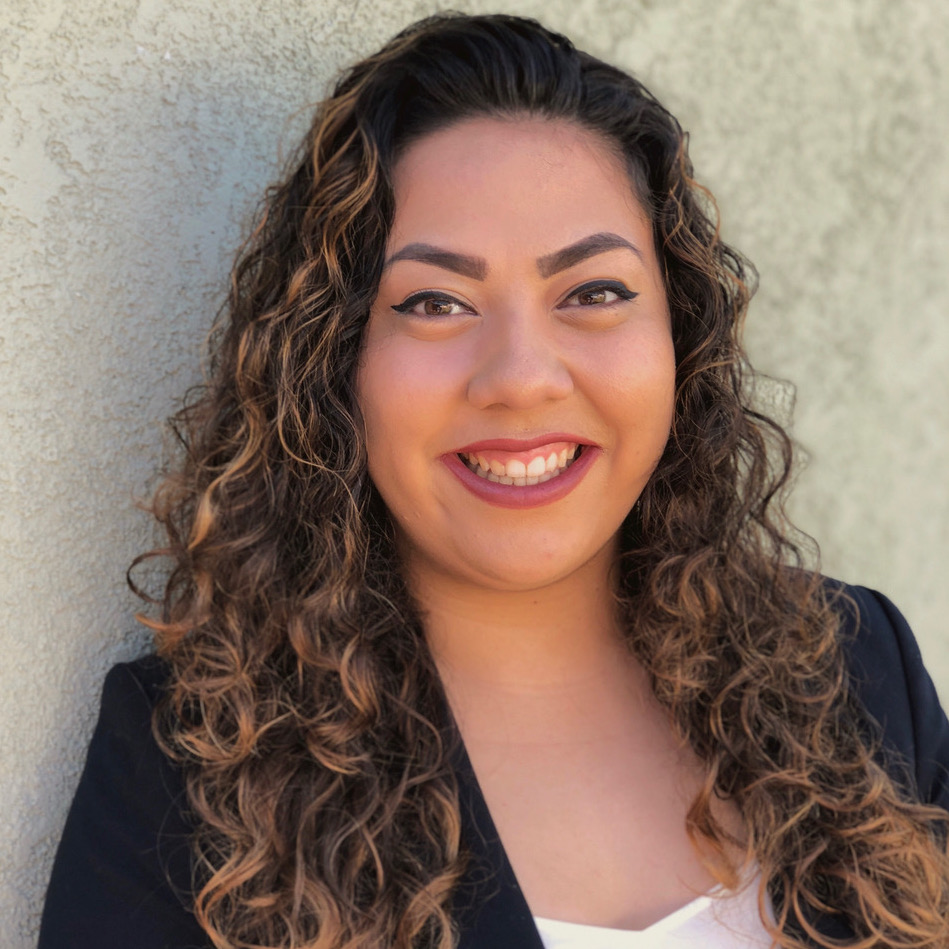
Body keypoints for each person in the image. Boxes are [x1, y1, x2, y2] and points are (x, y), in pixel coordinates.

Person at [39, 12, 949, 949]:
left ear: (679, 338)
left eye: (593, 292)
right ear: (334, 361)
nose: (520, 375)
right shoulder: (189, 771)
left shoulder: (854, 674)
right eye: (435, 302)